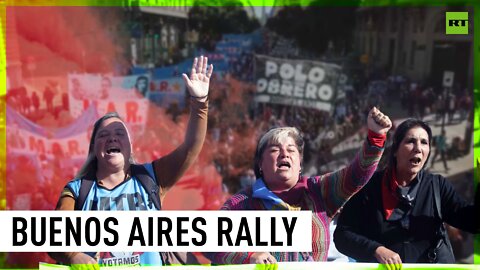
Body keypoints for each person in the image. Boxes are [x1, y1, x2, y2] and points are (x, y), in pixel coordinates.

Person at [49, 56, 213, 267]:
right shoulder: (76, 191)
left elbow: (190, 148)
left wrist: (200, 103)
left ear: (130, 147)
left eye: (119, 133)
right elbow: (54, 237)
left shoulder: (151, 177)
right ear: (94, 150)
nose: (112, 138)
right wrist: (73, 255)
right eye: (103, 135)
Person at [206, 107, 392, 264]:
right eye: (274, 149)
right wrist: (248, 256)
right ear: (260, 164)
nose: (284, 154)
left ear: (300, 163)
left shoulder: (319, 191)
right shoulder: (242, 203)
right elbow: (208, 242)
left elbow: (356, 175)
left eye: (291, 150)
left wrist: (376, 136)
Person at [334, 119, 478, 268]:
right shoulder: (371, 187)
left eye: (424, 142)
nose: (418, 148)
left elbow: (473, 222)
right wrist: (376, 249)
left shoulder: (437, 186)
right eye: (410, 141)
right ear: (395, 150)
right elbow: (342, 236)